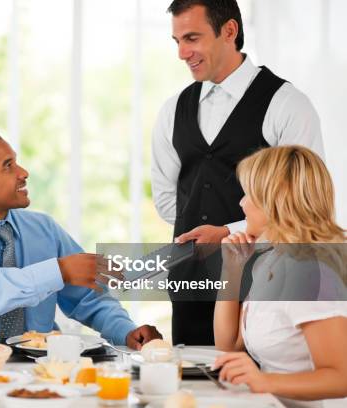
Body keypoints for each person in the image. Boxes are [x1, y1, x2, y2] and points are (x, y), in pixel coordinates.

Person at [151, 0, 324, 345]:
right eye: (177, 41)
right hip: (190, 286)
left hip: (264, 284)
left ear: (229, 31)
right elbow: (168, 200)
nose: (183, 53)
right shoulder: (173, 109)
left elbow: (306, 205)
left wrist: (230, 233)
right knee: (191, 392)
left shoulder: (287, 104)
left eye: (192, 38)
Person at [0, 131, 162, 348]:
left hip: (44, 375)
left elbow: (87, 298)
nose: (23, 173)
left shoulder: (44, 229)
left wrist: (125, 330)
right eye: (8, 166)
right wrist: (58, 270)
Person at [214, 146, 347, 407]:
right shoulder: (270, 261)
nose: (241, 202)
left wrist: (264, 381)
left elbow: (341, 378)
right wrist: (231, 269)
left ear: (275, 199)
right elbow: (228, 346)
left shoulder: (309, 271)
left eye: (249, 194)